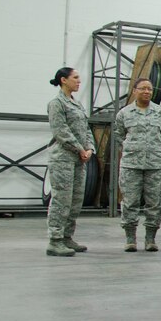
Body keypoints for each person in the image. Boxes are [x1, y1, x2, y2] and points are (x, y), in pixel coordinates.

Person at [112, 78, 161, 252]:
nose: (147, 92)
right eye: (142, 88)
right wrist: (131, 149)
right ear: (134, 90)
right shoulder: (124, 113)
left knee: (155, 203)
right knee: (130, 202)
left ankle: (150, 238)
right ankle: (130, 238)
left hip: (155, 164)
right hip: (131, 166)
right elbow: (119, 135)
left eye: (149, 89)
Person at [45, 67, 95, 257]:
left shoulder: (77, 104)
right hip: (63, 158)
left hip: (78, 159)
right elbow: (61, 131)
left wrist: (90, 148)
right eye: (75, 78)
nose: (78, 81)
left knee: (75, 200)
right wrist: (80, 149)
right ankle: (55, 240)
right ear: (63, 80)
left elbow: (86, 129)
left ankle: (67, 237)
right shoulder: (56, 103)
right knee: (61, 199)